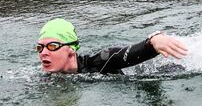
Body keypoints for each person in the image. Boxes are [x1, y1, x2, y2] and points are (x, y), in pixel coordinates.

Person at [36, 18, 188, 75]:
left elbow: (130, 53)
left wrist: (154, 40)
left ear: (71, 50)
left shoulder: (101, 61)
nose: (44, 53)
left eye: (52, 46)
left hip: (166, 71)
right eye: (40, 47)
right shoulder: (45, 78)